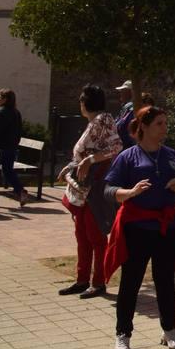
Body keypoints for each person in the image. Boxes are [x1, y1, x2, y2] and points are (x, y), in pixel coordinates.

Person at [103, 105, 175, 349]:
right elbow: (109, 190)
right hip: (137, 228)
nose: (165, 128)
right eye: (159, 124)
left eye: (166, 123)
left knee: (165, 280)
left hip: (166, 228)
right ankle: (123, 335)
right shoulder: (127, 157)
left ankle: (170, 330)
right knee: (131, 282)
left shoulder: (172, 156)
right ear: (143, 126)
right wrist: (130, 193)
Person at [57, 85, 123, 299]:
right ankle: (82, 279)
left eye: (81, 100)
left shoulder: (103, 120)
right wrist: (69, 167)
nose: (79, 104)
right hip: (84, 187)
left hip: (95, 187)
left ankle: (98, 282)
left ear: (86, 102)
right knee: (82, 234)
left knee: (94, 235)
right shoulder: (94, 123)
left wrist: (90, 159)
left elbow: (116, 147)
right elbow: (83, 156)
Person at [0, 88, 30, 207]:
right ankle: (20, 190)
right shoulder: (16, 113)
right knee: (8, 171)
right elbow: (19, 130)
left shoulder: (0, 112)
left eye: (0, 97)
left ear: (5, 99)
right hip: (11, 147)